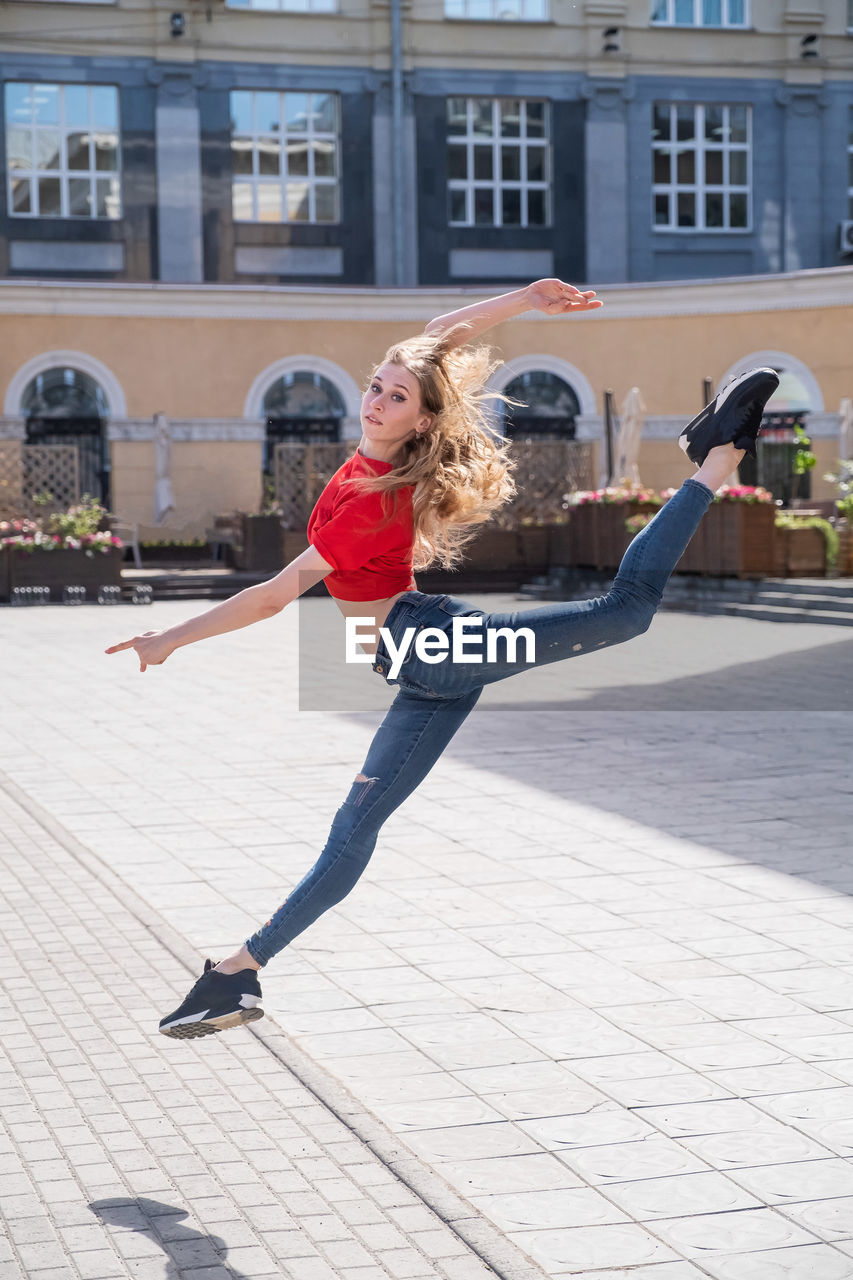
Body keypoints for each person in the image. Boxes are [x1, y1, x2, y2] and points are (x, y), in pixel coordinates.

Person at [105, 279, 779, 1039]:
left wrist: (169, 640)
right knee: (352, 829)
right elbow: (435, 332)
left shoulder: (370, 498)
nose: (376, 400)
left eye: (395, 397)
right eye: (375, 387)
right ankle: (234, 975)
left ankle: (711, 460)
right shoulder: (364, 470)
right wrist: (525, 299)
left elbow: (271, 597)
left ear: (421, 418)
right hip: (419, 667)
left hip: (435, 647)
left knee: (623, 613)